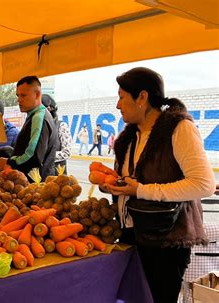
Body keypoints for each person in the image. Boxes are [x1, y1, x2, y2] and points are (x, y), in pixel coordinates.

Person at [103, 67, 215, 303]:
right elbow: (133, 181)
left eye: (122, 96)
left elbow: (203, 184)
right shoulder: (129, 138)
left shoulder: (179, 128)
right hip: (132, 235)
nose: (118, 105)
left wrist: (141, 190)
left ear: (142, 97)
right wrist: (114, 185)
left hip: (167, 241)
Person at [1, 76, 59, 181]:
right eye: (18, 96)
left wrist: (12, 162)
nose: (19, 100)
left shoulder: (39, 117)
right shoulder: (34, 115)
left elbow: (33, 156)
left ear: (37, 95)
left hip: (35, 185)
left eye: (23, 95)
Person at [41, 94, 72, 175]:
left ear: (49, 109)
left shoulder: (61, 126)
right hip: (39, 175)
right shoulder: (38, 127)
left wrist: (45, 156)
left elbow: (66, 152)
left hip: (57, 175)